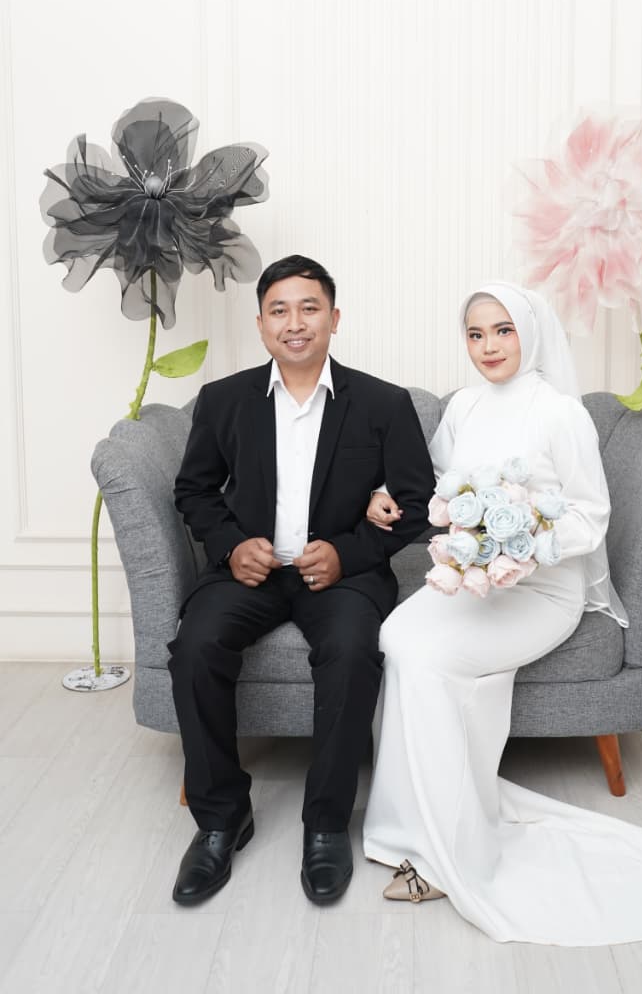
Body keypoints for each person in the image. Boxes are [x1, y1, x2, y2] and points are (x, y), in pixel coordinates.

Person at [362, 281, 642, 946]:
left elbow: (590, 515)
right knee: (397, 634)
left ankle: (446, 853)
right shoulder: (464, 406)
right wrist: (390, 496)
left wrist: (524, 541)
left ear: (529, 332)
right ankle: (408, 826)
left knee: (428, 658)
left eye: (502, 331)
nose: (487, 346)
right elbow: (432, 482)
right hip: (476, 581)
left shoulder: (559, 414)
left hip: (541, 591)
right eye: (475, 334)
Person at [167, 254, 434, 907]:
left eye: (309, 308)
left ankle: (326, 825)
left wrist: (348, 552)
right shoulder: (224, 400)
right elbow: (194, 491)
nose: (295, 323)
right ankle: (221, 818)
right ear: (260, 323)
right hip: (249, 571)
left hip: (342, 574)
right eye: (279, 310)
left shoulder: (383, 402)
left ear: (334, 319)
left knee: (351, 650)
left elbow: (417, 502)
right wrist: (231, 547)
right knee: (195, 647)